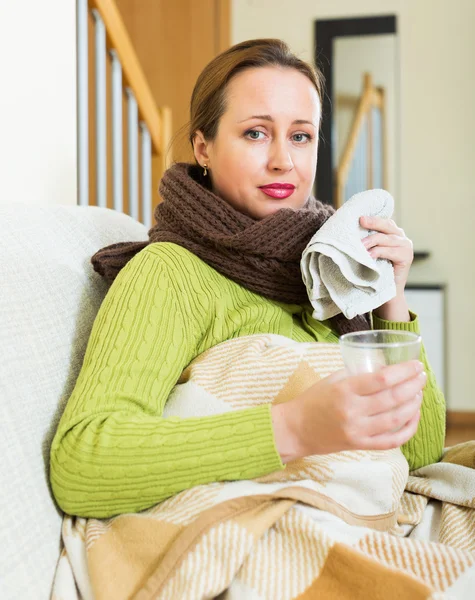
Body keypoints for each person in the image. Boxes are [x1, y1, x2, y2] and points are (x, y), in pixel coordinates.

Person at [49, 39, 445, 519]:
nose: (283, 160)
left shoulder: (330, 270)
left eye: (301, 136)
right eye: (256, 133)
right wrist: (295, 428)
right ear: (204, 147)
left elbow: (420, 454)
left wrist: (389, 299)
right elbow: (83, 462)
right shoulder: (170, 272)